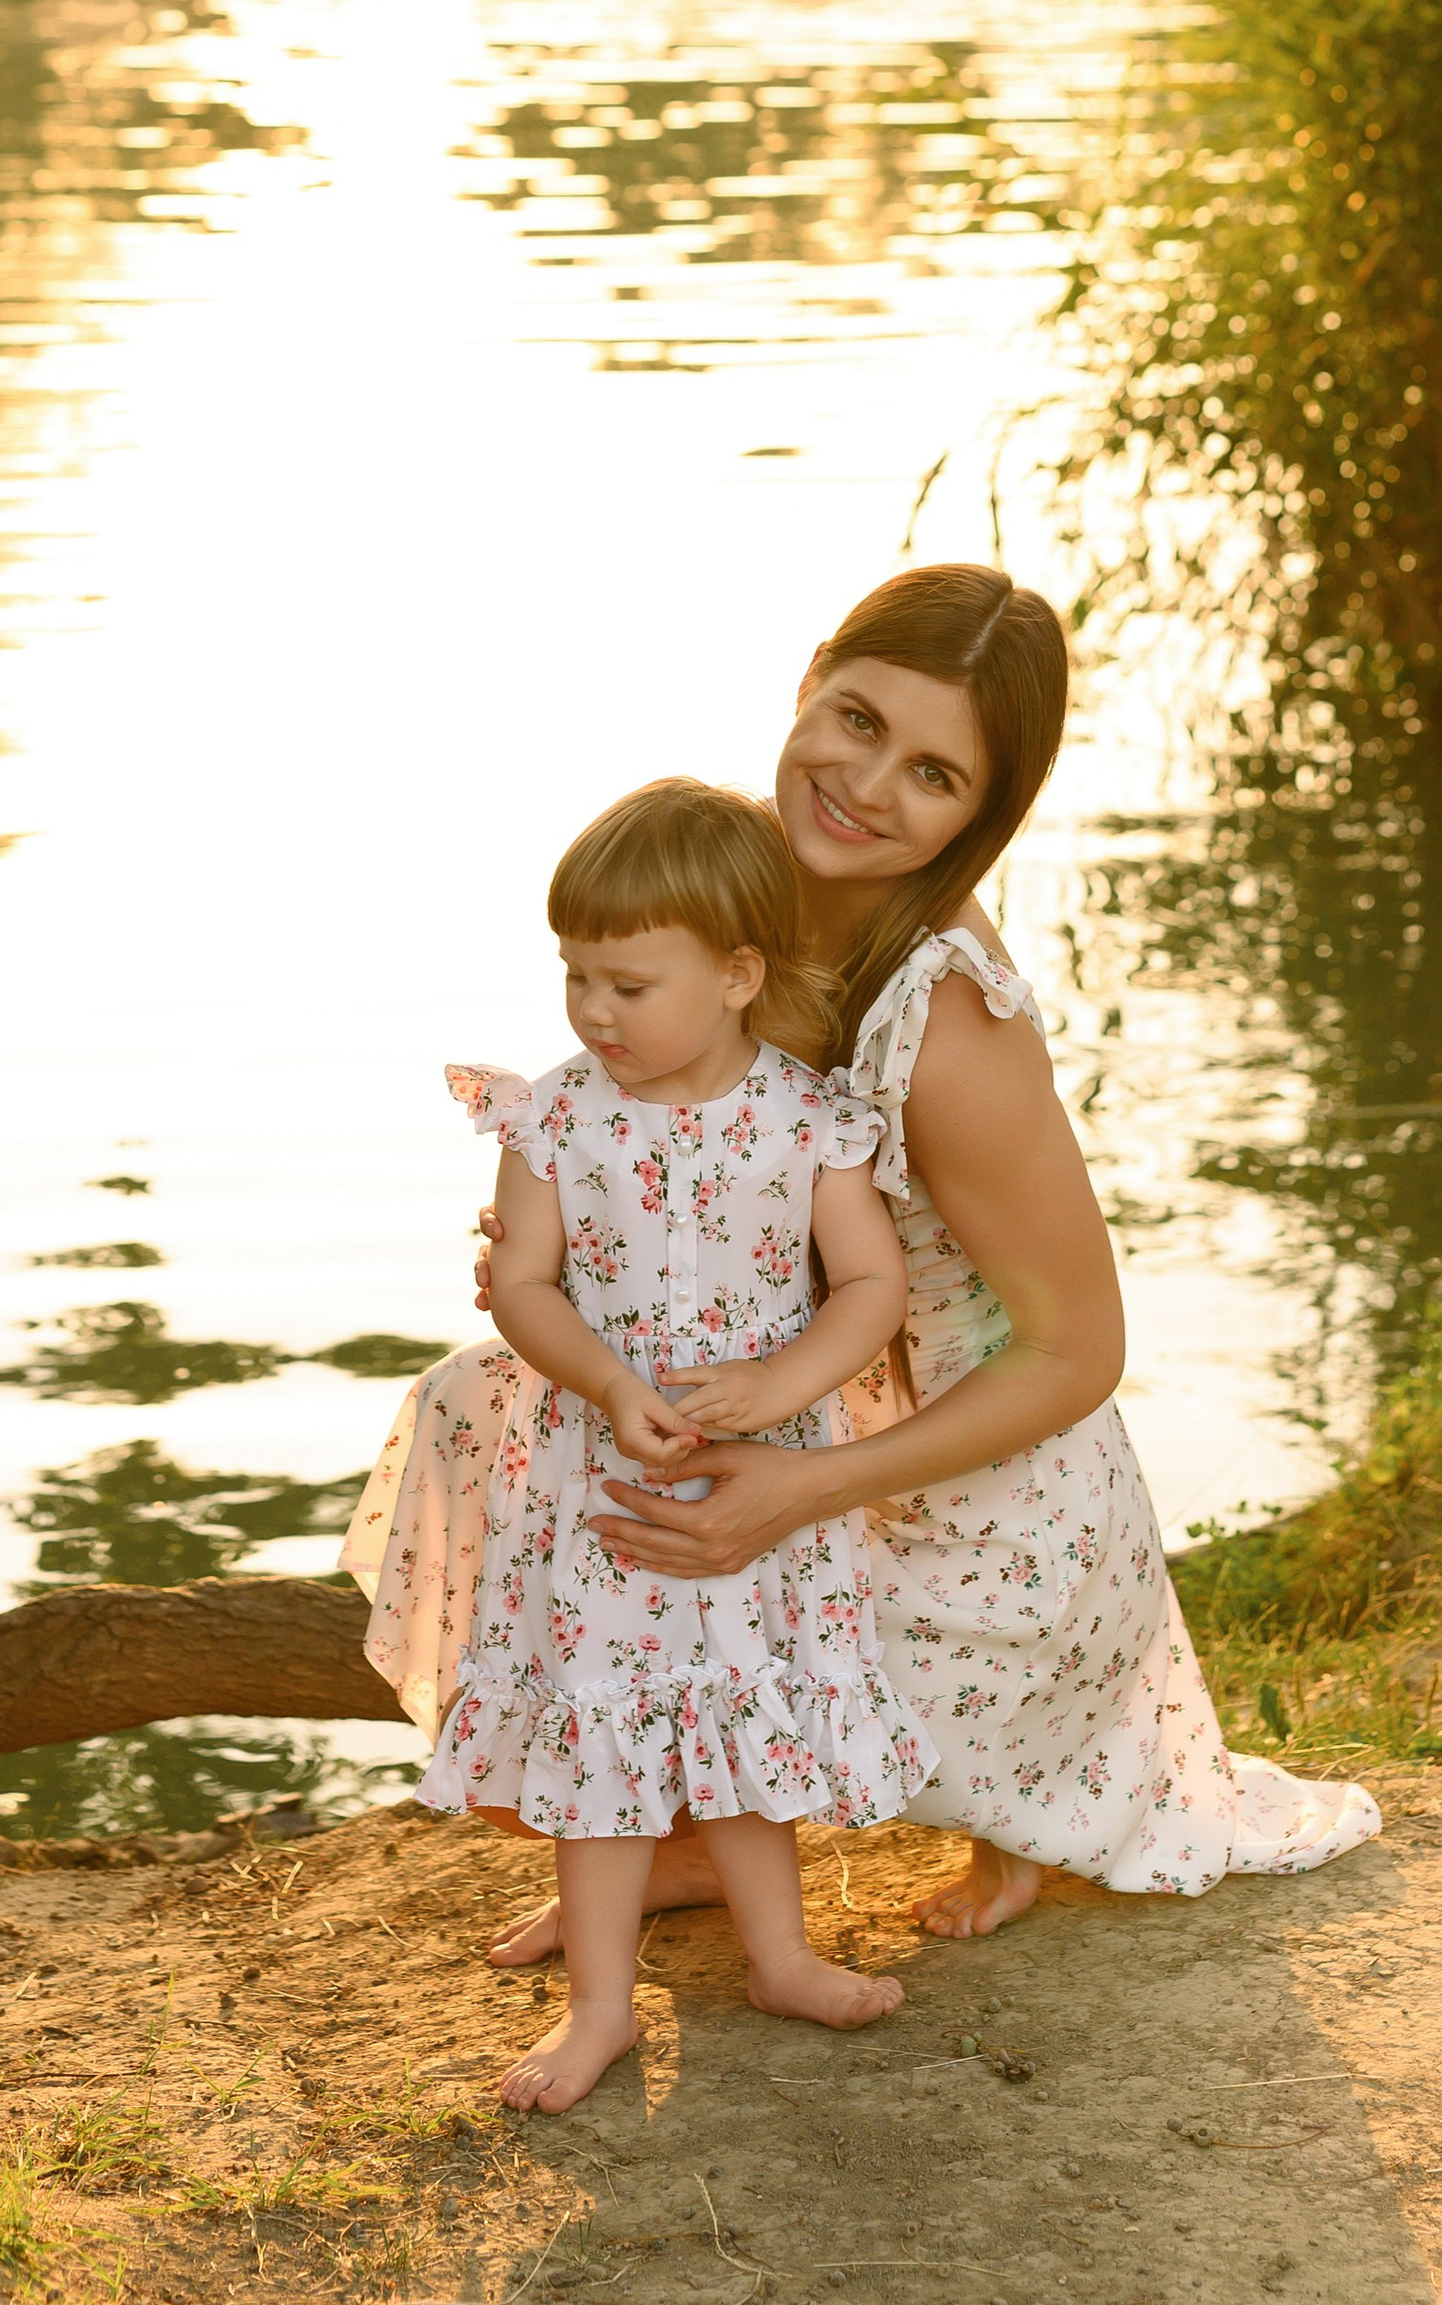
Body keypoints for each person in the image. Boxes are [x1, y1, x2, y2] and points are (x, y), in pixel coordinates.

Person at [346, 560, 1379, 1955]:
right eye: (856, 719)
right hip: (798, 1390)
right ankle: (697, 1834)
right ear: (809, 680)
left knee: (708, 1573)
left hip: (965, 1496)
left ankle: (1011, 1812)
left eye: (935, 775)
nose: (867, 784)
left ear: (980, 814)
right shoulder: (724, 891)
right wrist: (567, 1249)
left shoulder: (945, 1020)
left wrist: (803, 1489)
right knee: (493, 1405)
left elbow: (1082, 1351)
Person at [423, 777, 935, 2113]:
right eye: (576, 977)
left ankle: (779, 1954)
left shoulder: (806, 1117)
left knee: (742, 1709)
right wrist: (602, 1376)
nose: (595, 1013)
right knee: (602, 1734)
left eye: (628, 984)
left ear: (734, 974)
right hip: (602, 1478)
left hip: (753, 1467)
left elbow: (870, 1286)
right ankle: (603, 2010)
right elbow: (525, 1284)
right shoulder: (556, 1120)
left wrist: (779, 1384)